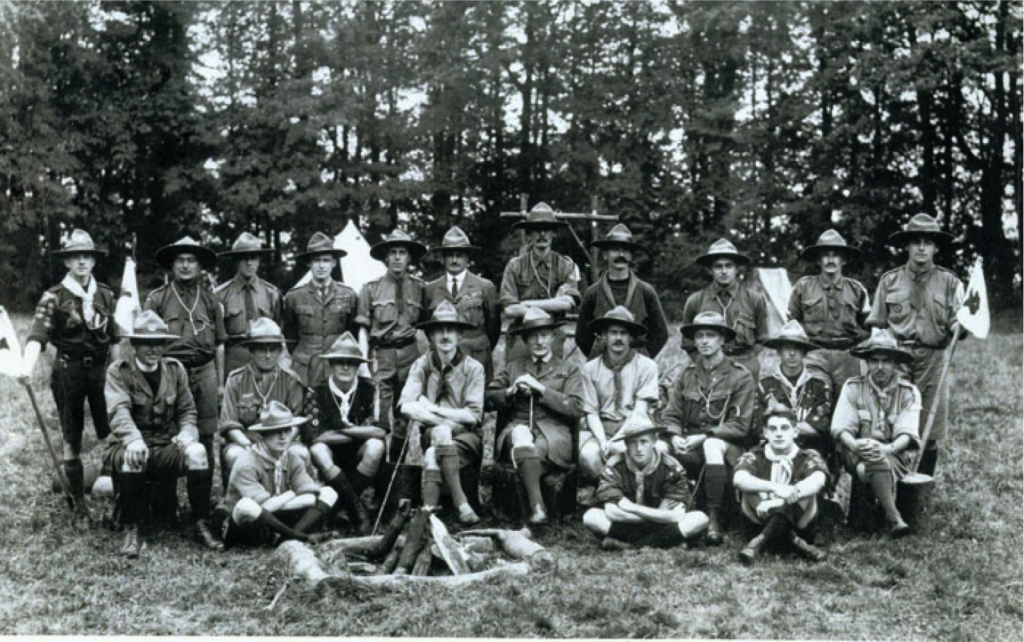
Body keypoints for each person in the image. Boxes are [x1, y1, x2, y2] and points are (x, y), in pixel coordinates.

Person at [103, 311, 222, 557]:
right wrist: (133, 439)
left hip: (164, 446)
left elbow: (188, 411)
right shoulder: (119, 371)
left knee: (198, 453)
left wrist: (188, 434)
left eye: (159, 343)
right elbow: (119, 412)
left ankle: (201, 523)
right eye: (147, 342)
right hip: (128, 445)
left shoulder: (175, 369)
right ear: (134, 344)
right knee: (132, 457)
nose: (153, 349)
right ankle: (131, 528)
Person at [20, 229, 118, 525]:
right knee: (71, 436)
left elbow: (113, 339)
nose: (82, 262)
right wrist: (27, 365)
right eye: (75, 256)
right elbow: (38, 334)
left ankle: (119, 491)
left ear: (94, 261)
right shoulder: (54, 296)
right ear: (67, 262)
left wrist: (118, 376)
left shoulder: (105, 294)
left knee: (112, 430)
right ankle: (78, 505)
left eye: (87, 256)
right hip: (69, 371)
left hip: (101, 370)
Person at [866, 214, 964, 477]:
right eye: (916, 242)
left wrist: (959, 326)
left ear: (936, 247)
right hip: (896, 360)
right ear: (907, 246)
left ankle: (921, 489)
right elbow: (877, 325)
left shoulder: (950, 282)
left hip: (933, 361)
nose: (921, 247)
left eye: (928, 242)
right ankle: (888, 483)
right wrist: (878, 363)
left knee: (929, 430)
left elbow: (958, 323)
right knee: (888, 425)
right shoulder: (890, 281)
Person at [661, 311, 756, 546]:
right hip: (690, 445)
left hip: (727, 448)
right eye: (699, 335)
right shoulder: (687, 374)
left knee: (712, 445)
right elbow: (671, 414)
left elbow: (740, 425)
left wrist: (704, 437)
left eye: (710, 335)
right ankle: (658, 513)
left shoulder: (740, 376)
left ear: (722, 339)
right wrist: (673, 436)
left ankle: (714, 520)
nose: (703, 341)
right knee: (658, 446)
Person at [486, 308, 584, 525]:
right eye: (533, 336)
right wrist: (510, 392)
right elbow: (488, 399)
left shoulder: (569, 370)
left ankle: (531, 507)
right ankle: (537, 507)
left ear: (553, 337)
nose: (539, 341)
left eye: (544, 335)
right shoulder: (514, 368)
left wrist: (541, 390)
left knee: (529, 451)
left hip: (554, 436)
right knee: (521, 434)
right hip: (517, 430)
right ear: (526, 340)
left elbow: (576, 407)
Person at [398, 301, 485, 524]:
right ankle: (462, 505)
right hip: (434, 434)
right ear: (430, 336)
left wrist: (434, 409)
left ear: (459, 336)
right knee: (438, 435)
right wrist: (436, 421)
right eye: (439, 330)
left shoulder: (473, 368)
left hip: (468, 437)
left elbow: (473, 416)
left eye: (451, 330)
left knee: (431, 452)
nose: (445, 336)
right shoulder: (422, 364)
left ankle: (427, 515)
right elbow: (404, 405)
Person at [144, 236, 226, 466]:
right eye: (180, 260)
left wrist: (220, 383)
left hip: (205, 370)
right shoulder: (157, 298)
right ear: (172, 265)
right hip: (170, 370)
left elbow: (220, 343)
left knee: (208, 433)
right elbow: (144, 343)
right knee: (164, 430)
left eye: (191, 260)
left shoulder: (211, 300)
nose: (186, 265)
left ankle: (202, 489)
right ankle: (167, 486)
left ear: (200, 267)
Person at [831, 329, 922, 538]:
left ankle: (887, 517)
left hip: (894, 454)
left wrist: (885, 448)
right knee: (866, 460)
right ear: (867, 363)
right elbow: (841, 428)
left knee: (871, 464)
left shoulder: (908, 392)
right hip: (856, 451)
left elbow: (907, 435)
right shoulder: (853, 387)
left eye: (886, 361)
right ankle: (894, 517)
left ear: (895, 364)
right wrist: (854, 445)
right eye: (874, 361)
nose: (880, 367)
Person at [215, 401, 338, 547]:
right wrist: (292, 493)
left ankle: (285, 539)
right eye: (275, 431)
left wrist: (278, 502)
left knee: (329, 492)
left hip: (273, 520)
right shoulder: (247, 462)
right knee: (246, 505)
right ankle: (301, 537)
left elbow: (310, 498)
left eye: (287, 430)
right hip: (244, 525)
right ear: (264, 434)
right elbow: (262, 507)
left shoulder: (291, 457)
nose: (282, 437)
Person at [300, 332, 385, 533]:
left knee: (376, 446)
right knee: (318, 449)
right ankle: (356, 508)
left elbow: (380, 431)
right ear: (330, 364)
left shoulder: (369, 389)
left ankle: (340, 505)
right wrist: (359, 431)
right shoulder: (317, 391)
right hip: (331, 458)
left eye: (352, 362)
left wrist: (347, 429)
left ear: (358, 366)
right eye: (339, 362)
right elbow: (316, 436)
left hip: (358, 455)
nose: (345, 367)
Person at [582, 414, 707, 551]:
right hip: (629, 523)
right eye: (633, 442)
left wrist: (632, 507)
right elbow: (612, 513)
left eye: (644, 441)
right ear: (626, 444)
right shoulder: (614, 466)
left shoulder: (672, 468)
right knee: (591, 516)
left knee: (699, 519)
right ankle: (662, 544)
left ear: (654, 441)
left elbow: (677, 515)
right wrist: (661, 516)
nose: (639, 448)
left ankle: (627, 545)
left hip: (657, 525)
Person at [356, 229, 428, 460]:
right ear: (386, 257)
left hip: (411, 355)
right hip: (383, 355)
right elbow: (363, 329)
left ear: (409, 258)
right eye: (393, 252)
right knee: (380, 417)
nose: (397, 257)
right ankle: (377, 472)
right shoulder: (370, 288)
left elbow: (429, 325)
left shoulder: (420, 288)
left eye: (402, 253)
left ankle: (397, 473)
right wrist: (363, 363)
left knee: (404, 416)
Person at [733, 406, 829, 564]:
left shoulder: (807, 455)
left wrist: (780, 500)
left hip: (800, 525)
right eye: (773, 429)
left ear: (795, 432)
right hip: (758, 521)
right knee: (749, 486)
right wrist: (775, 488)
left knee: (805, 491)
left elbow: (818, 480)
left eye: (784, 428)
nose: (778, 433)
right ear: (765, 433)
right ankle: (796, 542)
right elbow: (738, 478)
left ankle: (759, 543)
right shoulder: (755, 454)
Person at [578, 306, 660, 483]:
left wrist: (618, 439)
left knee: (643, 451)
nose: (618, 338)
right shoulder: (590, 369)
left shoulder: (647, 366)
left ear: (631, 337)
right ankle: (608, 490)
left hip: (634, 429)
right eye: (613, 332)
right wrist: (602, 441)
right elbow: (591, 411)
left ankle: (633, 494)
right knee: (588, 454)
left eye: (624, 333)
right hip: (601, 429)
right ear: (604, 336)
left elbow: (640, 411)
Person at [219, 318, 305, 480]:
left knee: (300, 453)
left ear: (280, 351)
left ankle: (296, 497)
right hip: (247, 442)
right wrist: (248, 446)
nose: (267, 356)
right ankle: (238, 499)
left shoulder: (291, 379)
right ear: (251, 351)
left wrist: (282, 445)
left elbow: (297, 420)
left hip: (283, 442)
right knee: (235, 455)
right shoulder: (235, 379)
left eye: (273, 350)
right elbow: (229, 424)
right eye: (261, 350)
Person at [788, 229, 870, 397]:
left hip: (848, 357)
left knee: (848, 407)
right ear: (818, 260)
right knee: (816, 403)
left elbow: (869, 327)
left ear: (844, 260)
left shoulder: (856, 289)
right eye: (826, 255)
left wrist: (854, 345)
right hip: (815, 356)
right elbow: (792, 324)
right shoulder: (803, 287)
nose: (831, 260)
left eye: (836, 255)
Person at [499, 202, 581, 363]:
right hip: (521, 335)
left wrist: (527, 304)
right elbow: (509, 309)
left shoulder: (565, 266)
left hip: (553, 335)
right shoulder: (515, 265)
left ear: (554, 232)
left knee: (552, 383)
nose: (542, 234)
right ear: (529, 233)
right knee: (517, 382)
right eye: (536, 229)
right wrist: (552, 304)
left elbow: (567, 303)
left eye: (547, 228)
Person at [574, 223, 669, 359]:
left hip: (636, 361)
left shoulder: (645, 291)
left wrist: (643, 357)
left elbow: (661, 333)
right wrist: (599, 357)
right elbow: (582, 336)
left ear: (630, 256)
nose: (621, 254)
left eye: (625, 250)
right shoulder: (593, 293)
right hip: (603, 362)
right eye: (615, 249)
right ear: (605, 255)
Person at [680, 238, 768, 379]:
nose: (724, 271)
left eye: (729, 266)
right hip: (708, 366)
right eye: (718, 266)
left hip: (744, 364)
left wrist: (747, 361)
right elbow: (688, 342)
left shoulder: (754, 299)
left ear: (736, 268)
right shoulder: (695, 301)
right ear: (710, 270)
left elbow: (762, 338)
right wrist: (704, 363)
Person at [282, 231, 360, 388]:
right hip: (305, 370)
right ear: (309, 263)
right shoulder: (294, 297)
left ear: (334, 263)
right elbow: (289, 335)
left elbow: (353, 332)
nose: (321, 265)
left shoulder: (348, 295)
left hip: (337, 368)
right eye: (316, 260)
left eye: (326, 260)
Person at [424, 226, 501, 381]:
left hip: (477, 356)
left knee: (479, 401)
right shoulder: (430, 289)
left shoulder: (485, 287)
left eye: (459, 255)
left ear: (467, 258)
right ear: (442, 258)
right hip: (443, 358)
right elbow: (428, 327)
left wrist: (478, 346)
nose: (454, 260)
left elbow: (493, 328)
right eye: (449, 255)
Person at [758, 320, 833, 463]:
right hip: (773, 453)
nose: (792, 353)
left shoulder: (819, 387)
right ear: (779, 351)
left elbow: (818, 427)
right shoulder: (764, 386)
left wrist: (778, 426)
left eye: (797, 348)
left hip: (810, 453)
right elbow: (759, 427)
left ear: (804, 352)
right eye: (787, 348)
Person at [215, 231, 283, 378]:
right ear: (235, 261)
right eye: (243, 258)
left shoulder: (271, 293)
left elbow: (278, 333)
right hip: (233, 361)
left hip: (265, 359)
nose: (249, 262)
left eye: (253, 257)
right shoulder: (220, 295)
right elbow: (217, 341)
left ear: (259, 260)